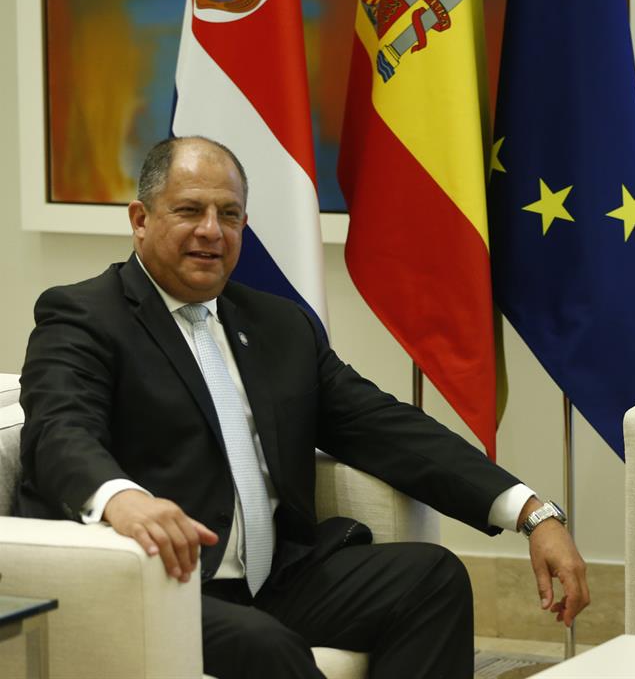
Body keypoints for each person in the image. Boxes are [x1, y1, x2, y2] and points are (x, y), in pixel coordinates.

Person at [17, 136, 589, 679]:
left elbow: (384, 427)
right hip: (164, 580)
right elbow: (59, 432)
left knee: (431, 577)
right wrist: (122, 499)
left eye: (230, 214)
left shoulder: (279, 325)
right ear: (141, 221)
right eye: (189, 211)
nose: (212, 232)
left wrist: (530, 511)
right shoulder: (85, 316)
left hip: (277, 576)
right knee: (266, 646)